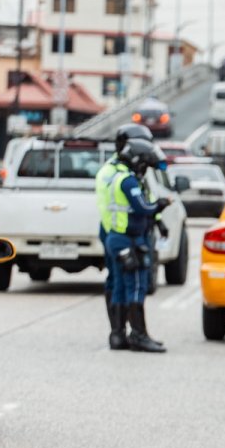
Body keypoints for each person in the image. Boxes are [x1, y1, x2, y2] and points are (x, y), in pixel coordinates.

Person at [101, 138, 167, 353]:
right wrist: (160, 205)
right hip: (128, 240)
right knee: (136, 285)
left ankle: (118, 335)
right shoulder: (128, 181)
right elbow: (142, 207)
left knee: (120, 286)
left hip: (116, 238)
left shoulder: (116, 176)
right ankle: (139, 335)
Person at [95, 123, 154, 349]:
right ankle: (126, 333)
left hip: (114, 232)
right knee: (127, 282)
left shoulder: (113, 170)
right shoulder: (119, 173)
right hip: (120, 232)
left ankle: (119, 334)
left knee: (118, 281)